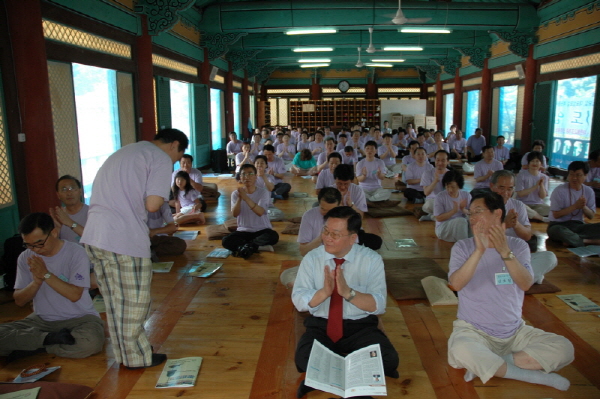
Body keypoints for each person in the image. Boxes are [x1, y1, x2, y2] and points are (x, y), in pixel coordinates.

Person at [81, 128, 189, 369]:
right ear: (174, 145)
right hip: (123, 238)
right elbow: (153, 205)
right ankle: (137, 358)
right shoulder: (159, 158)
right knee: (134, 302)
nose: (174, 162)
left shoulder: (127, 151)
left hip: (95, 235)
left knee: (114, 300)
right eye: (177, 156)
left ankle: (125, 354)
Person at [447, 192, 574, 391]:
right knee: (461, 349)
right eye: (470, 213)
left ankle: (492, 364)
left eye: (478, 212)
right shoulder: (463, 247)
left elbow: (525, 284)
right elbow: (455, 285)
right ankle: (533, 376)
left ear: (497, 213)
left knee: (564, 348)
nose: (472, 218)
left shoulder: (518, 246)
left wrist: (505, 252)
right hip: (473, 330)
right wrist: (479, 251)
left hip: (515, 332)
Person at [292, 206, 399, 398]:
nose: (327, 238)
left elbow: (379, 304)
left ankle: (331, 370)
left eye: (335, 234)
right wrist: (324, 292)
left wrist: (348, 293)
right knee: (302, 358)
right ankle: (353, 368)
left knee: (389, 359)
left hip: (360, 328)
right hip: (321, 327)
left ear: (352, 237)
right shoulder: (312, 258)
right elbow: (299, 300)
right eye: (326, 231)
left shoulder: (371, 260)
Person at [0, 213, 104, 361]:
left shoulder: (76, 253)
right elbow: (19, 301)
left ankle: (38, 346)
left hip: (80, 319)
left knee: (90, 343)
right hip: (41, 321)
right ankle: (48, 339)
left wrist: (46, 275)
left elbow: (74, 295)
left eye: (39, 243)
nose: (35, 249)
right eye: (28, 244)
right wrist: (36, 282)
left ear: (54, 233)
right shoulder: (25, 257)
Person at [490, 170, 557, 284]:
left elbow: (527, 236)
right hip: (492, 257)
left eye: (510, 189)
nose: (506, 193)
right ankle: (524, 279)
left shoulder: (518, 205)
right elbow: (481, 238)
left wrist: (516, 224)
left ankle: (509, 282)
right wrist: (504, 224)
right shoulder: (481, 206)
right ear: (492, 186)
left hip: (516, 257)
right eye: (501, 188)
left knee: (550, 257)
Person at [298, 187, 381, 256]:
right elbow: (303, 252)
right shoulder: (308, 216)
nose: (327, 214)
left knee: (374, 242)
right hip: (318, 259)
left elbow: (352, 248)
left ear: (339, 205)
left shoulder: (345, 216)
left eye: (331, 210)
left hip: (342, 258)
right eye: (323, 209)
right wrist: (322, 237)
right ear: (318, 203)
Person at [222, 164, 279, 259]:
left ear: (256, 177)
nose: (247, 177)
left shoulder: (263, 192)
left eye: (250, 174)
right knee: (226, 241)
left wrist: (246, 197)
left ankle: (245, 246)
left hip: (261, 230)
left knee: (273, 236)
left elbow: (260, 212)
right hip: (244, 230)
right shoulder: (236, 194)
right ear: (240, 177)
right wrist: (240, 199)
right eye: (243, 174)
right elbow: (235, 214)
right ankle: (255, 246)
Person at [547, 161, 600, 247]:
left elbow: (591, 216)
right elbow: (556, 215)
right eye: (571, 174)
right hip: (558, 225)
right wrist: (575, 206)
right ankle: (589, 241)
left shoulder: (589, 191)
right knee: (557, 231)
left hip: (578, 226)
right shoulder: (559, 190)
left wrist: (583, 207)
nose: (574, 178)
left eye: (578, 175)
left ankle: (572, 240)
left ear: (586, 176)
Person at [434, 170, 471, 242]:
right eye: (447, 186)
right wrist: (454, 211)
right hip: (444, 227)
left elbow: (472, 213)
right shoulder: (440, 197)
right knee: (461, 221)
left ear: (459, 186)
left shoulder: (466, 195)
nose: (450, 190)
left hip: (462, 226)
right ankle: (464, 247)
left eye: (453, 187)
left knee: (474, 222)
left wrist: (463, 209)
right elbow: (439, 218)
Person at [50, 175, 87, 243]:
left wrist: (70, 222)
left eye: (72, 188)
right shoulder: (58, 216)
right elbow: (54, 246)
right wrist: (57, 229)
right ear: (58, 195)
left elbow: (93, 238)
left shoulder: (92, 212)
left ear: (80, 191)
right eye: (64, 190)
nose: (69, 193)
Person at [515, 152, 549, 222]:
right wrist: (535, 186)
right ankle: (541, 218)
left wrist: (541, 185)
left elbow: (542, 196)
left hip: (538, 205)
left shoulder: (544, 177)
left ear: (541, 164)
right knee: (521, 208)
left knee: (552, 209)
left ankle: (532, 216)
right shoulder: (521, 175)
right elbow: (520, 194)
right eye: (532, 161)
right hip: (524, 203)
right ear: (528, 163)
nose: (535, 163)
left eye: (537, 161)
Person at [418, 150, 450, 221]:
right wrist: (435, 181)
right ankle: (442, 216)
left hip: (447, 201)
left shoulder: (452, 174)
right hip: (433, 201)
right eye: (438, 160)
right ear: (434, 160)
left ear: (448, 161)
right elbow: (426, 192)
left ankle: (434, 217)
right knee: (429, 205)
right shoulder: (427, 173)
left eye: (443, 160)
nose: (440, 163)